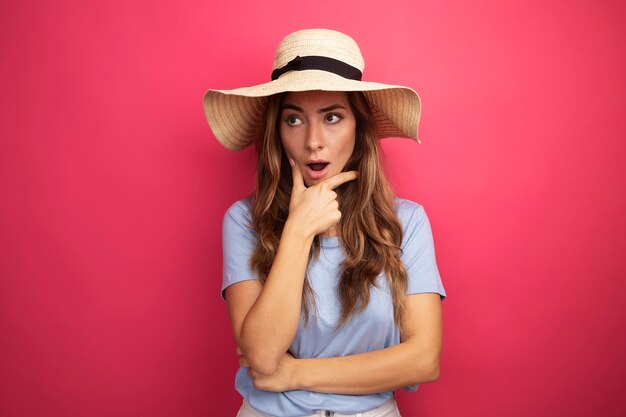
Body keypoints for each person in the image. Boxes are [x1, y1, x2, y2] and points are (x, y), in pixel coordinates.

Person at [203, 29, 446, 417]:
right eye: (294, 120)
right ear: (276, 133)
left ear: (359, 128)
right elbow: (262, 356)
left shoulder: (407, 222)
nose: (313, 140)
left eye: (332, 117)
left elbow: (423, 361)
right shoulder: (244, 221)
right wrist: (299, 231)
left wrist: (294, 373)